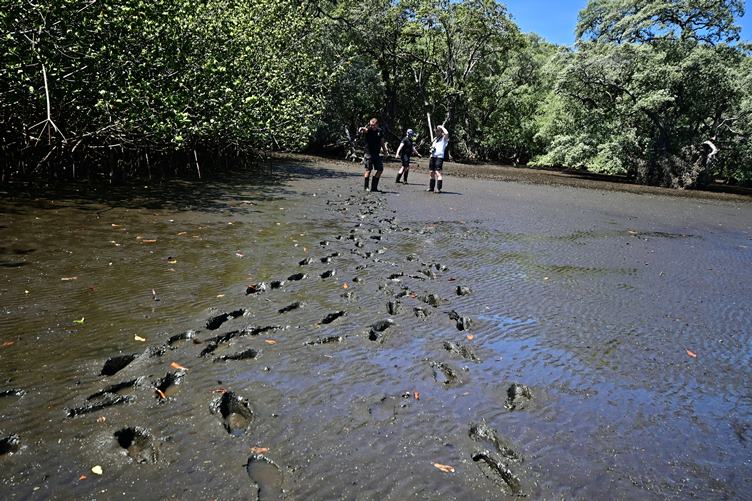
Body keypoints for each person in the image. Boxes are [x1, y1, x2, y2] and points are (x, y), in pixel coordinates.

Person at [358, 118, 389, 192]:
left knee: (380, 169)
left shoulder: (380, 131)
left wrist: (385, 151)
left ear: (377, 125)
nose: (371, 126)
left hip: (376, 154)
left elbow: (382, 142)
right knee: (368, 170)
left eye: (373, 125)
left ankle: (374, 187)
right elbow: (365, 130)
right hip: (368, 153)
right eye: (370, 125)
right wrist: (361, 128)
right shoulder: (368, 130)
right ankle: (366, 187)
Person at [427, 125, 449, 193]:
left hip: (439, 157)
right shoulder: (435, 139)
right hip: (433, 157)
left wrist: (441, 127)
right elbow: (433, 148)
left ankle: (438, 189)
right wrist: (431, 151)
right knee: (431, 172)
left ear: (441, 132)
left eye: (438, 131)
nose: (436, 132)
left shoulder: (444, 139)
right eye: (436, 131)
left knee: (437, 172)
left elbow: (447, 133)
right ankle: (431, 188)